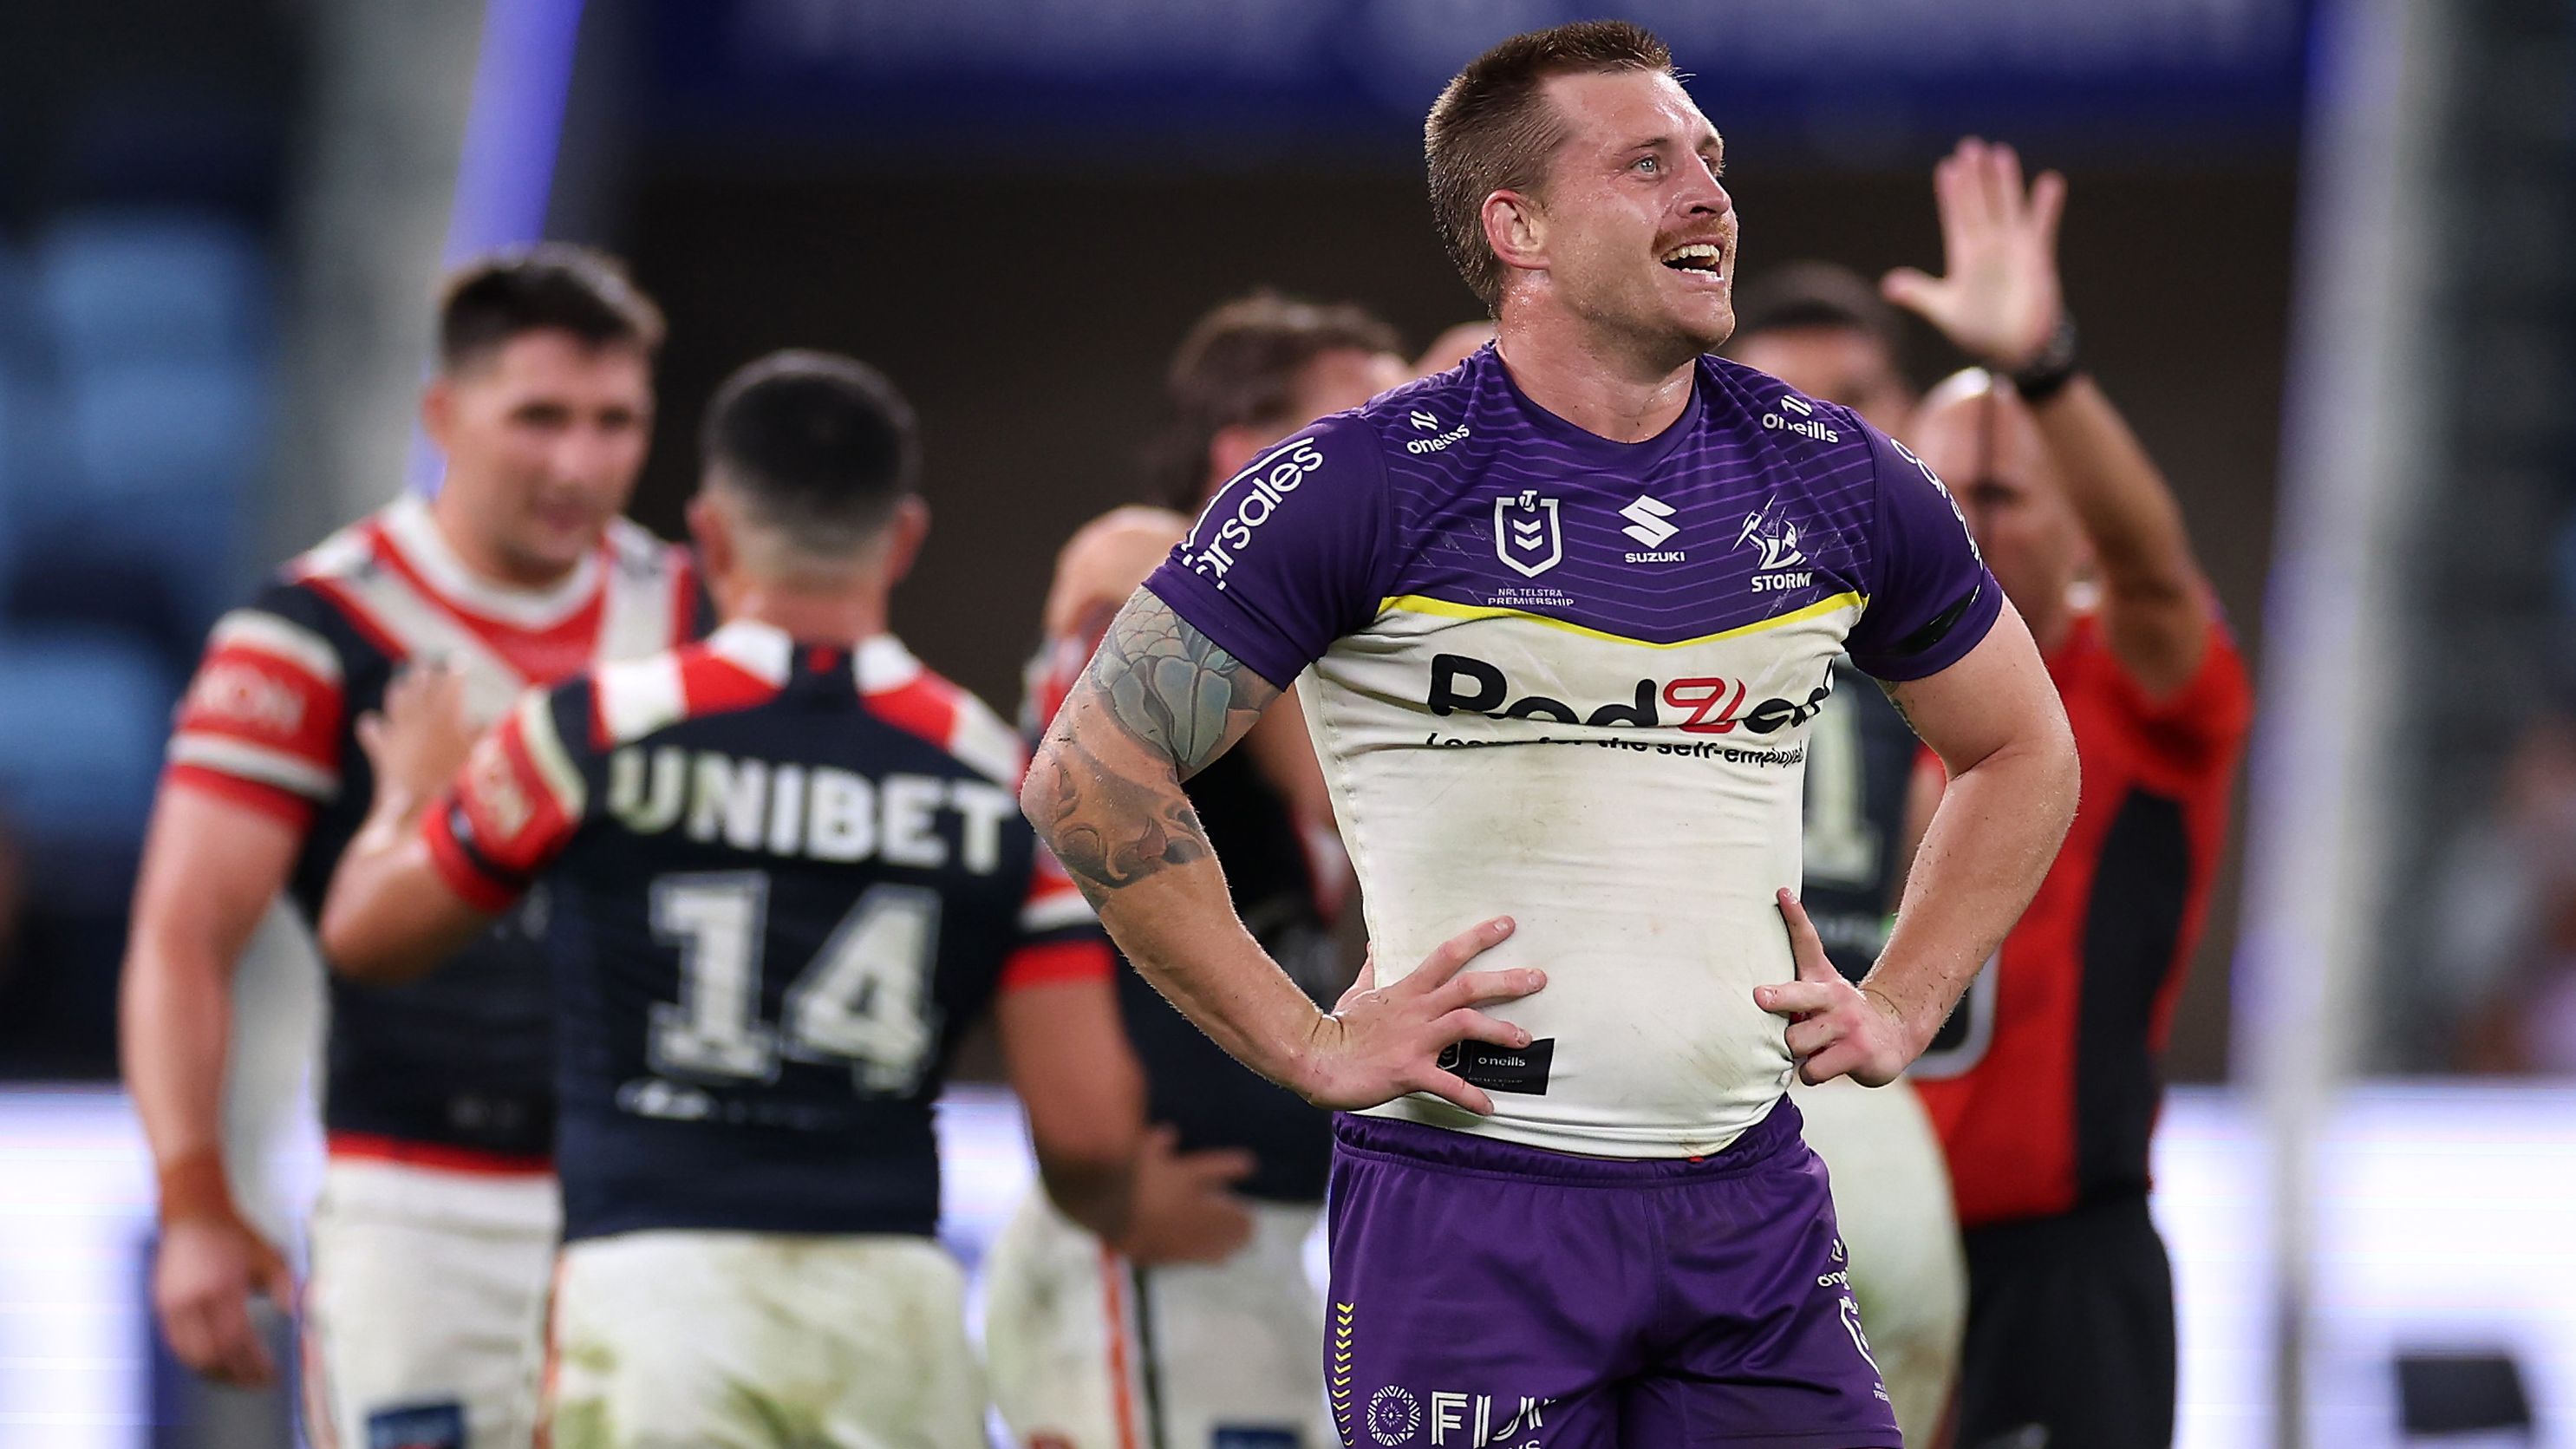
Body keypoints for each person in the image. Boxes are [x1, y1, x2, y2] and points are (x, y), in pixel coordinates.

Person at [1022, 22, 2079, 1449]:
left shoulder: (1838, 480)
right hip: (1469, 1217)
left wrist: (1907, 996)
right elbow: (1089, 770)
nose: (1707, 195)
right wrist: (1306, 1039)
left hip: (1750, 1207)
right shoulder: (1362, 481)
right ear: (1513, 225)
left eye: (1707, 158)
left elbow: (2026, 749)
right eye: (1647, 164)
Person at [317, 351, 1242, 1449]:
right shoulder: (1004, 780)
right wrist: (1115, 1207)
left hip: (654, 1296)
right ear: (902, 537)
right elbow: (1086, 1130)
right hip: (887, 1306)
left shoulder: (587, 733)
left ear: (708, 536)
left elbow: (368, 941)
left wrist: (410, 802)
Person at [121, 247, 696, 1446]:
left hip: (662, 1204)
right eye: (538, 416)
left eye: (614, 421)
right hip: (418, 1205)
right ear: (441, 413)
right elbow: (184, 933)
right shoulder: (313, 632)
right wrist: (191, 1195)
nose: (577, 462)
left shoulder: (698, 616)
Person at [987, 293, 1407, 1449]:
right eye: (1362, 422)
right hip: (1153, 1211)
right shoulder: (1137, 555)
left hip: (1270, 1213)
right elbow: (1336, 787)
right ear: (1243, 455)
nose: (1405, 457)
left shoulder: (1348, 643)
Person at [1887, 139, 2255, 1449]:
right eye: (1936, 493)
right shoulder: (1821, 696)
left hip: (2058, 1257)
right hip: (1845, 1243)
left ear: (2076, 528)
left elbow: (2157, 581)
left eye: (2000, 494)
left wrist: (2040, 369)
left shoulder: (2128, 693)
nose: (1965, 525)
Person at [1722, 264, 1966, 1449]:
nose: (1825, 433)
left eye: (1855, 398)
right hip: (1698, 1085)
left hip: (1859, 1092)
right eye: (1787, 403)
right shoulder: (1630, 591)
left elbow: (2006, 781)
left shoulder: (1957, 625)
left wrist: (1900, 1006)